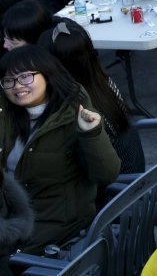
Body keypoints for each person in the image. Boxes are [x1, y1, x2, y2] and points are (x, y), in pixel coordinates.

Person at [0, 45, 121, 253]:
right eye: (8, 80)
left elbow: (107, 174)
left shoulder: (74, 112)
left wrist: (91, 134)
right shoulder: (7, 112)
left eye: (26, 77)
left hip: (56, 222)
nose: (17, 86)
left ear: (47, 75)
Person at [38, 19, 144, 174]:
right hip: (134, 172)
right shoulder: (102, 81)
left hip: (117, 186)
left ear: (56, 66)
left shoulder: (75, 110)